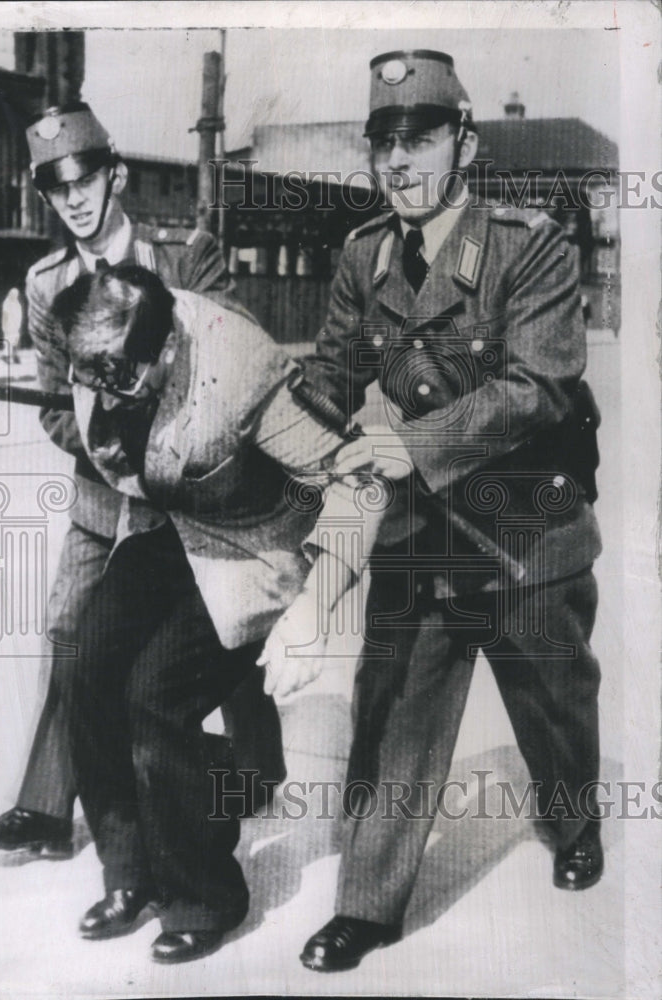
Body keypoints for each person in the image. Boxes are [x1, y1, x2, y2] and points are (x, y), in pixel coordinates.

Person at [268, 49, 604, 972]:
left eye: (419, 140)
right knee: (394, 710)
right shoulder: (364, 254)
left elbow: (539, 384)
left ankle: (573, 824)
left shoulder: (528, 242)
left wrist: (413, 443)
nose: (400, 163)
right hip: (426, 531)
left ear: (465, 140)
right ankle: (369, 905)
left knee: (553, 700)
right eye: (384, 144)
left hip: (529, 525)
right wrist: (268, 403)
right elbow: (334, 375)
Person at [49, 264, 408, 962]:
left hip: (252, 545)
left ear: (172, 349)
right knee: (86, 669)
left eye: (119, 377)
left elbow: (359, 485)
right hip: (168, 522)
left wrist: (315, 606)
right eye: (88, 375)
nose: (99, 390)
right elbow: (105, 420)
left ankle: (206, 892)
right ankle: (132, 871)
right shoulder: (99, 341)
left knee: (156, 702)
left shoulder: (240, 368)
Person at [0, 102, 285, 860]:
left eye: (84, 179)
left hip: (197, 491)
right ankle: (47, 809)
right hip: (101, 495)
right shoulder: (47, 285)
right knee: (75, 635)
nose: (73, 199)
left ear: (115, 174)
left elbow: (230, 365)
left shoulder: (187, 254)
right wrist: (110, 447)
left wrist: (167, 451)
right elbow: (53, 409)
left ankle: (254, 764)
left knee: (220, 622)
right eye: (55, 187)